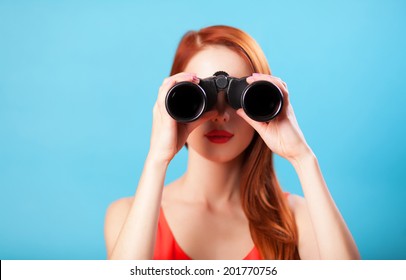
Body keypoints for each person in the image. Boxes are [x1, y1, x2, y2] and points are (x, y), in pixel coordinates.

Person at [104, 25, 361, 260]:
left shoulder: (298, 218)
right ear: (172, 103)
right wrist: (157, 159)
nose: (220, 114)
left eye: (239, 97)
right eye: (199, 97)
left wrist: (303, 158)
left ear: (264, 102)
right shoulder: (125, 215)